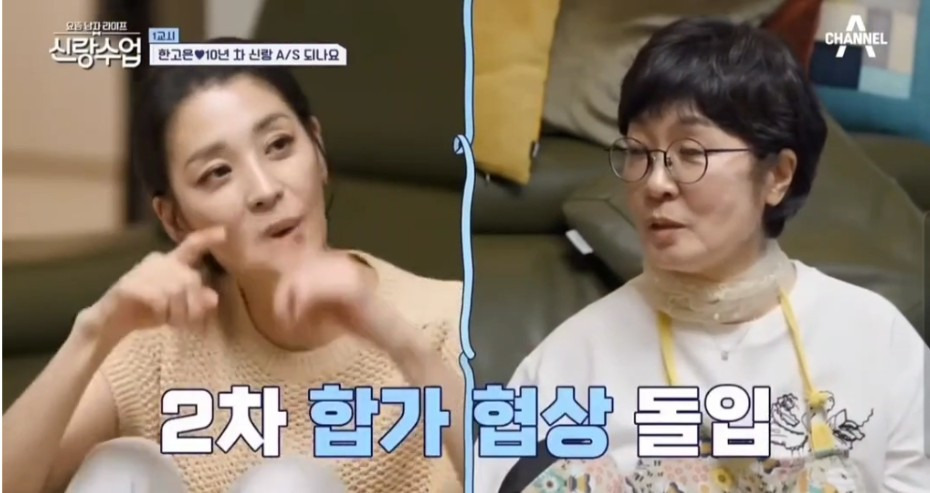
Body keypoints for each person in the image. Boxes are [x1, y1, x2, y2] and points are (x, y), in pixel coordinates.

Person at [474, 18, 930, 492]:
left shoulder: (876, 340)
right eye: (638, 152)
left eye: (690, 153)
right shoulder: (570, 363)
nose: (655, 182)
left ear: (777, 175)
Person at [3, 39, 466, 493]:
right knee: (119, 467)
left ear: (318, 149)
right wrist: (94, 331)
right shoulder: (163, 347)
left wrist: (396, 338)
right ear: (174, 219)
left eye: (279, 145)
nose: (265, 189)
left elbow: (507, 478)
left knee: (288, 485)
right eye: (218, 173)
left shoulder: (448, 323)